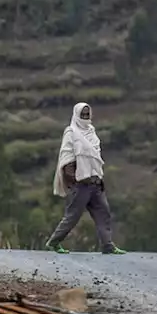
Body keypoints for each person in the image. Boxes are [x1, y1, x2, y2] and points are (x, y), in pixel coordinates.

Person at [43, 102, 126, 255]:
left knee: (103, 213)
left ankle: (107, 245)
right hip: (81, 185)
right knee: (72, 216)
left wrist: (98, 177)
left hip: (95, 184)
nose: (86, 117)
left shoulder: (91, 132)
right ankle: (53, 242)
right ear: (77, 115)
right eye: (83, 114)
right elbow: (67, 158)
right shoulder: (71, 132)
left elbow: (95, 157)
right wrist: (75, 178)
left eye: (88, 114)